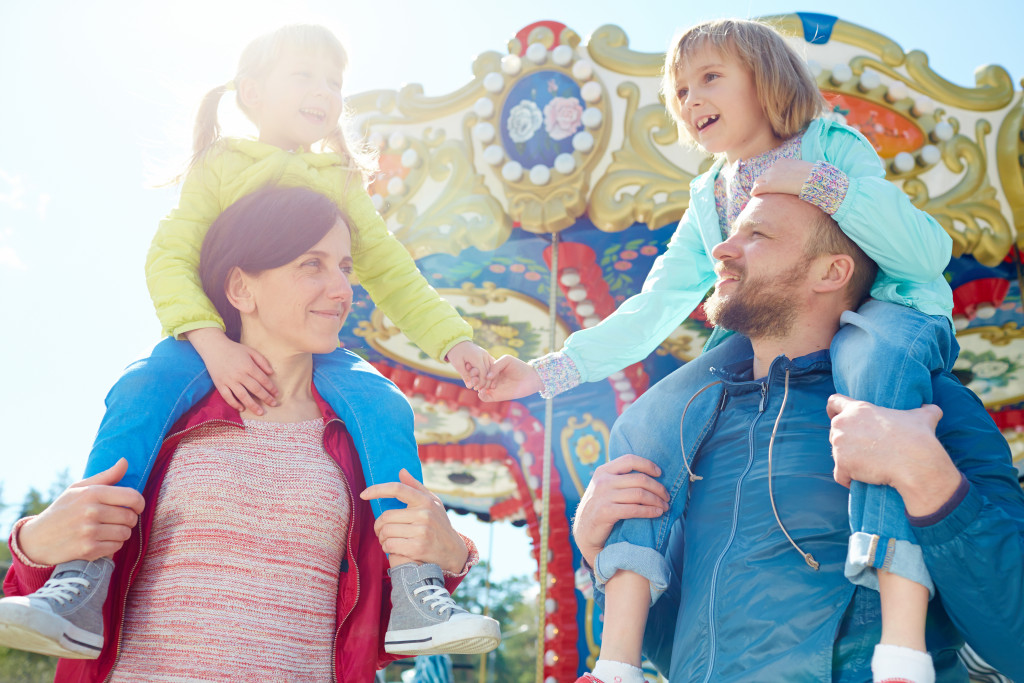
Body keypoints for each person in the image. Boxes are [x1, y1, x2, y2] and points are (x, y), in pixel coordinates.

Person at [482, 18, 956, 683]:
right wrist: (545, 371)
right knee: (643, 423)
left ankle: (901, 645)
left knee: (874, 385)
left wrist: (821, 184)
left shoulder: (833, 145)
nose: (691, 97)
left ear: (766, 81)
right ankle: (615, 661)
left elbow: (924, 253)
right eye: (680, 89)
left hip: (887, 311)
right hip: (756, 338)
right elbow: (654, 307)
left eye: (710, 77)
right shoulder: (709, 196)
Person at [0, 24, 497, 660]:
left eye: (334, 82)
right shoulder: (221, 166)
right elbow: (171, 255)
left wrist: (454, 342)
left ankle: (414, 586)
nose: (323, 92)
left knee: (386, 404)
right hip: (205, 337)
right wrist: (212, 342)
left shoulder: (339, 180)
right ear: (252, 92)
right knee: (143, 386)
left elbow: (393, 272)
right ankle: (80, 579)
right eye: (306, 75)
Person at [570, 193, 1024, 682]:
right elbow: (679, 650)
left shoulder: (929, 404)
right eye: (730, 232)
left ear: (831, 273)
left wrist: (930, 479)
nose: (722, 249)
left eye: (757, 234)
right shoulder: (689, 430)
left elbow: (1013, 640)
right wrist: (599, 551)